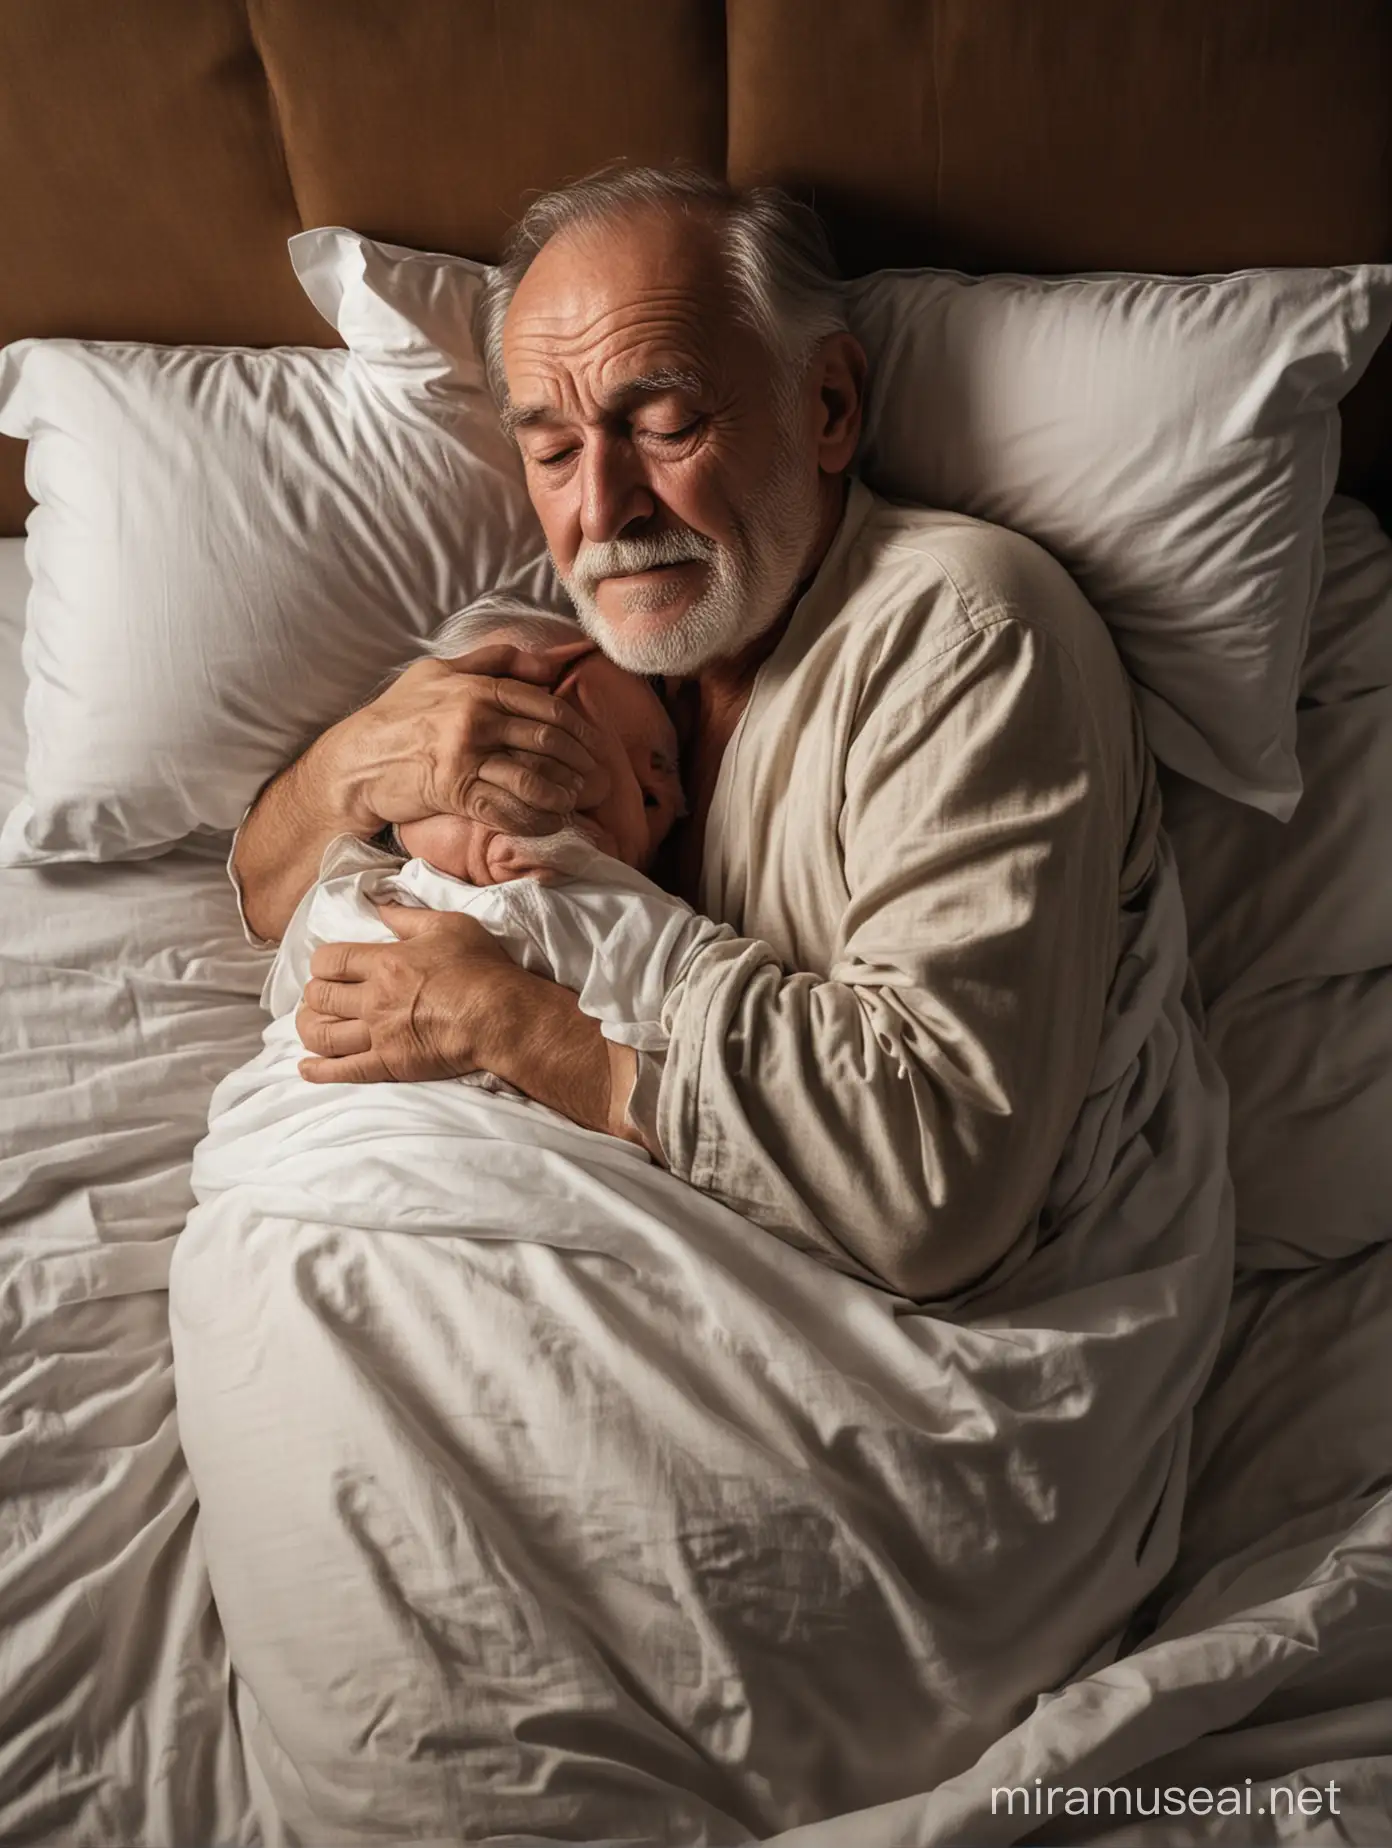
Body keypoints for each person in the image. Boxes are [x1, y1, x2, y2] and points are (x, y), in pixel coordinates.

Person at [230, 164, 1228, 1306]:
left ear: (830, 408)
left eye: (665, 423)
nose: (602, 510)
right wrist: (365, 762)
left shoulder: (966, 635)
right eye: (553, 452)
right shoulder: (568, 658)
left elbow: (936, 1192)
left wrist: (518, 1027)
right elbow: (268, 902)